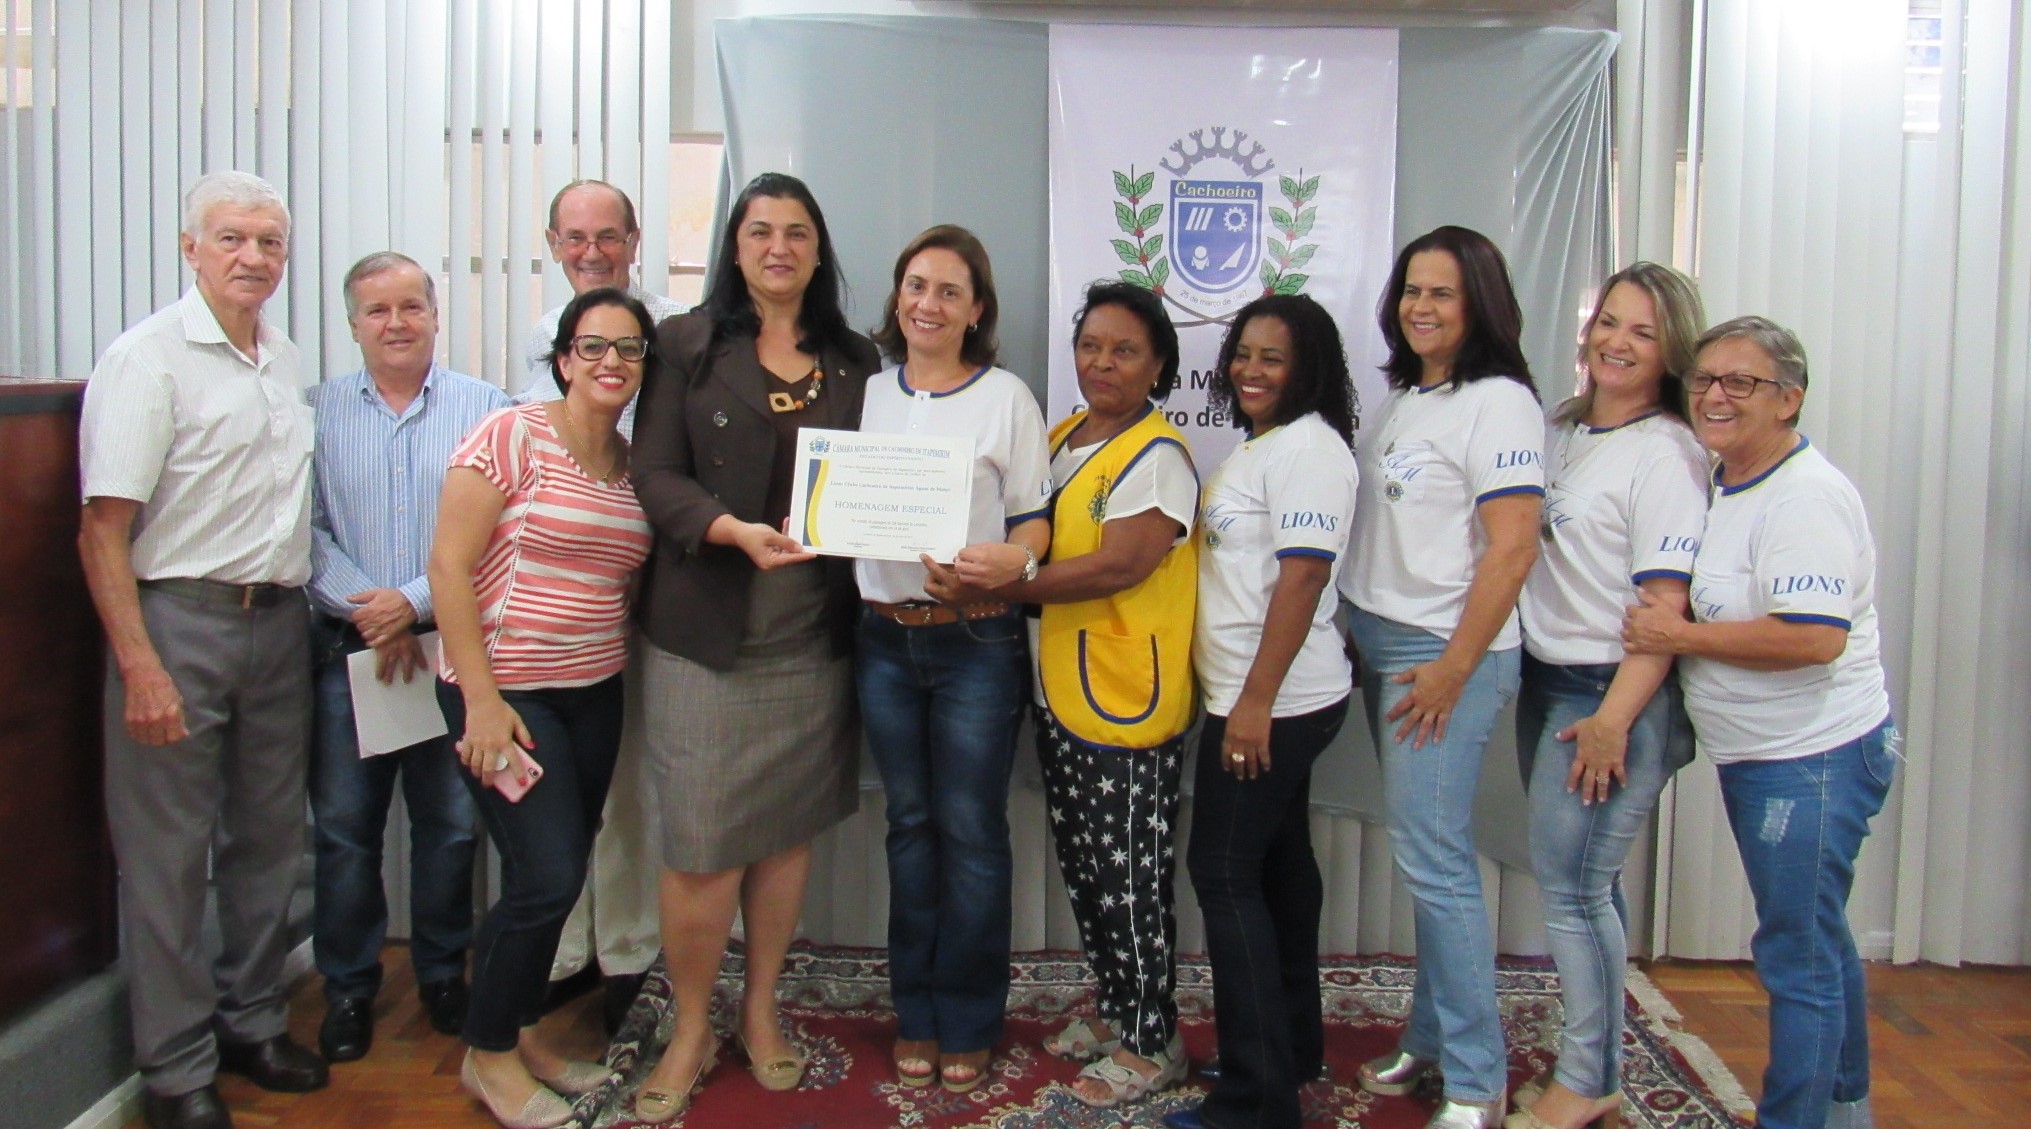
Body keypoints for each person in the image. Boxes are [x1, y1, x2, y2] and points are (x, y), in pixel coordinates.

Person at [627, 172, 881, 1121]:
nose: (779, 247)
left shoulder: (856, 359)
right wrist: (727, 528)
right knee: (700, 847)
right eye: (760, 231)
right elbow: (653, 472)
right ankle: (692, 1024)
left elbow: (885, 481)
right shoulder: (685, 344)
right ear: (733, 248)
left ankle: (762, 1006)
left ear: (819, 250)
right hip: (706, 635)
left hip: (813, 636)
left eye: (797, 232)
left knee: (782, 834)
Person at [78, 169, 329, 1129]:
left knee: (269, 840)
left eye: (269, 241)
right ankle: (176, 1068)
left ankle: (252, 1019)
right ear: (191, 248)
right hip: (177, 622)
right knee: (168, 858)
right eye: (231, 238)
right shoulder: (147, 360)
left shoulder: (284, 357)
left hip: (279, 621)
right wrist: (140, 665)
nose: (252, 257)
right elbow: (103, 531)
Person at [923, 281, 1199, 1109]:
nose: (1101, 363)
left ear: (1158, 364)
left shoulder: (1158, 454)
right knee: (1087, 866)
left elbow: (1122, 564)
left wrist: (1005, 586)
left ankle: (1153, 1041)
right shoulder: (1062, 435)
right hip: (1064, 689)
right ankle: (1116, 1010)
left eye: (1124, 350)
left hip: (1127, 697)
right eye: (1090, 346)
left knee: (1131, 875)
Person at [1622, 317, 1895, 1129]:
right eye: (1704, 379)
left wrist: (1679, 637)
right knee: (1815, 936)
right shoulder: (1726, 479)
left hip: (1812, 755)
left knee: (1795, 955)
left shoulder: (1802, 497)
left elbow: (1812, 637)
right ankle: (1843, 1110)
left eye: (1739, 382)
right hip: (1767, 754)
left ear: (1788, 399)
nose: (1714, 395)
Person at [429, 287, 654, 1129]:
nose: (610, 361)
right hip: (508, 696)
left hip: (594, 692)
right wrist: (481, 700)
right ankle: (486, 1056)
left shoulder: (632, 465)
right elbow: (447, 566)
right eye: (592, 346)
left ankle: (520, 1035)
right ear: (563, 359)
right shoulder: (510, 435)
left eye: (628, 348)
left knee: (553, 876)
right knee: (547, 874)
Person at [1342, 225, 1544, 1129]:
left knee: (1436, 863)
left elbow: (1513, 548)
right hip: (1384, 644)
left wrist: (1453, 669)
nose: (1420, 307)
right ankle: (1429, 1038)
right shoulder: (1410, 396)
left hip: (1440, 654)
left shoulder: (1499, 403)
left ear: (1480, 306)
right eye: (1411, 290)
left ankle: (1475, 1079)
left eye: (1442, 293)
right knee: (1426, 858)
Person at [1507, 263, 1710, 1129]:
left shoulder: (1667, 452)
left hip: (1609, 692)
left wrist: (1612, 720)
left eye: (1642, 332)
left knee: (1573, 889)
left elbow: (1664, 610)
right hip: (1546, 676)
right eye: (1609, 323)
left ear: (1670, 352)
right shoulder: (1561, 428)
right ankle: (1598, 1061)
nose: (1616, 343)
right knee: (1585, 883)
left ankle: (1587, 1080)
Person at [856, 225, 1053, 1094]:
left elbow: (1033, 521)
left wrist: (1014, 561)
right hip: (881, 639)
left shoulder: (1006, 397)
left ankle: (969, 1018)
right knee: (907, 825)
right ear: (897, 296)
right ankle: (917, 1011)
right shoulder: (868, 392)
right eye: (915, 285)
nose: (927, 304)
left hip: (975, 639)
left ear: (976, 311)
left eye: (948, 291)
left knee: (971, 830)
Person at [1162, 294, 1358, 1129]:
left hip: (1273, 702)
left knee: (1222, 872)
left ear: (1306, 367)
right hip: (1259, 696)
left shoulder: (1309, 449)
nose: (1249, 369)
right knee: (1278, 871)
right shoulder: (1264, 444)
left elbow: (1303, 578)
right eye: (1242, 352)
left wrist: (1252, 704)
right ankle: (1291, 1047)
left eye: (1271, 357)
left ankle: (1256, 1098)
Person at [307, 252, 509, 1063]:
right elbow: (304, 529)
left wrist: (412, 604)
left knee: (451, 827)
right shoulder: (314, 411)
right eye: (377, 310)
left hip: (450, 652)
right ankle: (349, 988)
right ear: (352, 323)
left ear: (434, 314)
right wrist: (371, 609)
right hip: (346, 651)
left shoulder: (485, 408)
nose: (396, 323)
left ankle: (441, 974)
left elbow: (501, 527)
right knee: (344, 831)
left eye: (410, 307)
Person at [516, 179, 683, 1029]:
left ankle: (624, 951)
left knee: (625, 784)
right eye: (575, 237)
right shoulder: (534, 337)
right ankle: (560, 953)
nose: (592, 251)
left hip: (641, 582)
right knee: (556, 789)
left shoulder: (672, 335)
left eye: (608, 235)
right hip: (551, 604)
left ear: (634, 239)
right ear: (553, 244)